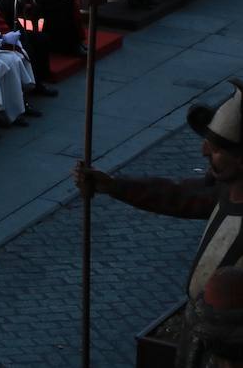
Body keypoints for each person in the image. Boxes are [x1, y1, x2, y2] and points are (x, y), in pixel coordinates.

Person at [76, 80, 243, 368]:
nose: (204, 151)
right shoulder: (223, 193)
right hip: (199, 342)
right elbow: (177, 195)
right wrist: (114, 186)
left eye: (216, 149)